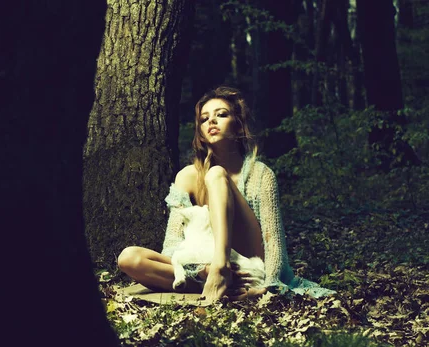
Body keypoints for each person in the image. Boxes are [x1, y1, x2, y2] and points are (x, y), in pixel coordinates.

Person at [117, 86, 335, 302]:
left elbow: (274, 244)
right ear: (200, 132)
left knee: (216, 174)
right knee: (129, 258)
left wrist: (269, 286)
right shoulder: (186, 176)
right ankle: (220, 281)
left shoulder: (261, 174)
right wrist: (201, 269)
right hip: (204, 266)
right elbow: (172, 244)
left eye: (221, 115)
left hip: (249, 262)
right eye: (204, 119)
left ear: (238, 127)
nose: (211, 121)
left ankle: (221, 269)